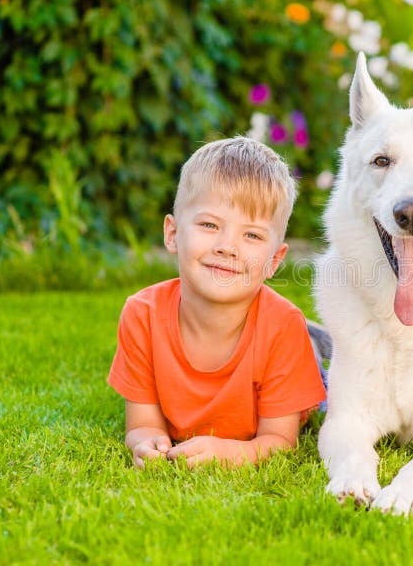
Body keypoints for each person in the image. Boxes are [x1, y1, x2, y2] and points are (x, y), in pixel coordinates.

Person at [107, 137, 326, 470]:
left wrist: (228, 453)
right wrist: (145, 441)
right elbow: (142, 425)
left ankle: (316, 343)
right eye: (209, 225)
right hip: (274, 336)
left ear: (274, 261)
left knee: (333, 384)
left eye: (251, 235)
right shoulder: (142, 315)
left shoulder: (282, 327)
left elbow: (280, 442)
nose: (227, 247)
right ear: (172, 233)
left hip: (295, 355)